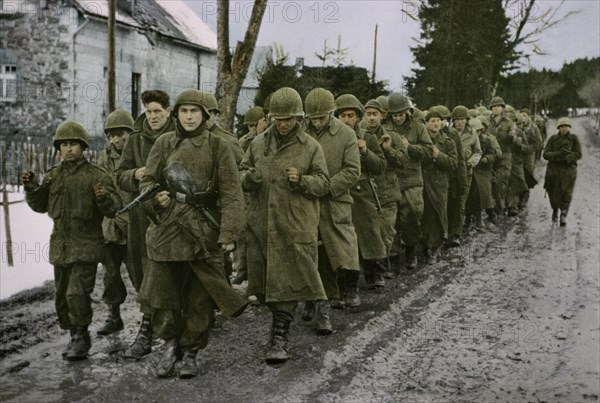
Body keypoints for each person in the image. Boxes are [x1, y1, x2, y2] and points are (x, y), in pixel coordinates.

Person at [138, 89, 249, 378]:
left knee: (199, 299)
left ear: (205, 115)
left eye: (194, 111)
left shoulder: (218, 146)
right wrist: (156, 198)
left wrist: (228, 233)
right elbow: (147, 181)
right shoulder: (163, 143)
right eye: (184, 111)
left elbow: (232, 194)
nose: (189, 117)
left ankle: (191, 352)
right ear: (176, 114)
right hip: (167, 230)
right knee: (164, 295)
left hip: (203, 229)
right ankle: (170, 344)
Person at [240, 87, 330, 364]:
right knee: (266, 284)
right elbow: (241, 171)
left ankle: (280, 336)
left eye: (288, 119)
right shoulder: (257, 143)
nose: (282, 124)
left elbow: (324, 183)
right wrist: (249, 178)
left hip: (294, 223)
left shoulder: (310, 147)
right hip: (261, 225)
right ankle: (295, 312)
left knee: (288, 280)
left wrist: (302, 180)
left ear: (299, 118)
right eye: (278, 118)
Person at [22, 121, 121, 360]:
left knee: (76, 294)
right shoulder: (53, 176)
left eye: (73, 144)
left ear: (83, 147)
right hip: (61, 246)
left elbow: (113, 208)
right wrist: (32, 189)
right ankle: (74, 334)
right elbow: (40, 205)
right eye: (63, 145)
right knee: (62, 295)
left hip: (87, 245)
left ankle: (81, 337)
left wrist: (103, 198)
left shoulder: (96, 175)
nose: (68, 149)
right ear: (58, 149)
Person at [117, 89, 176, 359]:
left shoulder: (180, 136)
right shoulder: (135, 140)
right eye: (149, 112)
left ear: (168, 111)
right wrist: (136, 174)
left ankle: (165, 333)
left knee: (171, 275)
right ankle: (151, 327)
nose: (152, 117)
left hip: (173, 215)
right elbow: (119, 176)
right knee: (142, 271)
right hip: (141, 217)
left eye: (157, 111)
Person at [301, 88, 361, 334]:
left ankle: (346, 289)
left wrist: (326, 187)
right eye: (313, 118)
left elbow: (352, 170)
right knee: (308, 253)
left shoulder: (345, 134)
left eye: (322, 117)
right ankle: (311, 299)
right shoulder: (300, 133)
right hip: (305, 202)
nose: (317, 122)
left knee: (340, 252)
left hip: (334, 202)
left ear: (331, 113)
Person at [335, 94, 387, 307]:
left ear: (358, 117)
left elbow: (381, 166)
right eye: (343, 116)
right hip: (338, 193)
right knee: (342, 243)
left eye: (351, 115)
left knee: (368, 235)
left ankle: (373, 272)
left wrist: (365, 152)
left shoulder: (367, 136)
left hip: (362, 191)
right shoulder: (331, 138)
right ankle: (345, 288)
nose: (347, 120)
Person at [96, 109, 135, 335]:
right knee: (111, 275)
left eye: (121, 134)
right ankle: (114, 315)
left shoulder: (139, 154)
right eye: (112, 135)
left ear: (131, 132)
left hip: (134, 225)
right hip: (111, 226)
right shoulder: (103, 158)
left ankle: (151, 317)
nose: (117, 139)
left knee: (141, 275)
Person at [384, 93, 433, 271]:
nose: (398, 118)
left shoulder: (418, 127)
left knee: (412, 216)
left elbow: (429, 152)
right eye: (394, 115)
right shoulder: (385, 127)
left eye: (401, 114)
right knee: (392, 219)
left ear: (407, 111)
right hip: (392, 179)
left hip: (412, 180)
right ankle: (394, 257)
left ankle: (411, 251)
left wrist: (409, 147)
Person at [421, 109, 457, 263]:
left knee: (437, 215)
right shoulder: (421, 140)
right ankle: (425, 245)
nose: (435, 124)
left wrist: (438, 156)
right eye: (432, 121)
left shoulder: (448, 142)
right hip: (423, 181)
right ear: (426, 123)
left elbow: (453, 164)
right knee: (425, 214)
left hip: (440, 183)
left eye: (438, 121)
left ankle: (434, 248)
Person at [543, 117, 582, 226]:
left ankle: (563, 214)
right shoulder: (552, 139)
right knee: (553, 193)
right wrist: (557, 154)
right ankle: (555, 209)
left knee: (567, 194)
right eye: (561, 127)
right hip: (553, 170)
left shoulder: (574, 139)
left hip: (568, 171)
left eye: (566, 126)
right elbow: (545, 154)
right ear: (558, 128)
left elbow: (578, 154)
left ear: (569, 127)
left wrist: (568, 157)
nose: (564, 129)